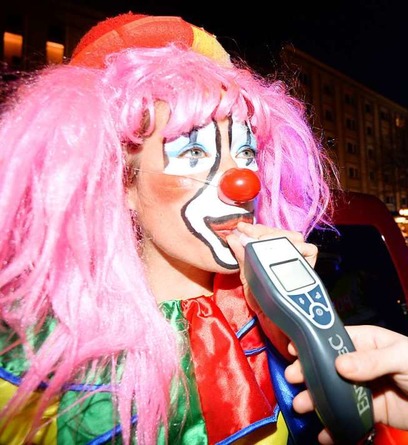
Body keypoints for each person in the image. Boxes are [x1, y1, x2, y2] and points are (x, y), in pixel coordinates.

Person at [0, 12, 339, 444]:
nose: (242, 181)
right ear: (122, 182)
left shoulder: (263, 317)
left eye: (247, 151)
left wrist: (297, 335)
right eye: (193, 152)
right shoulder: (46, 356)